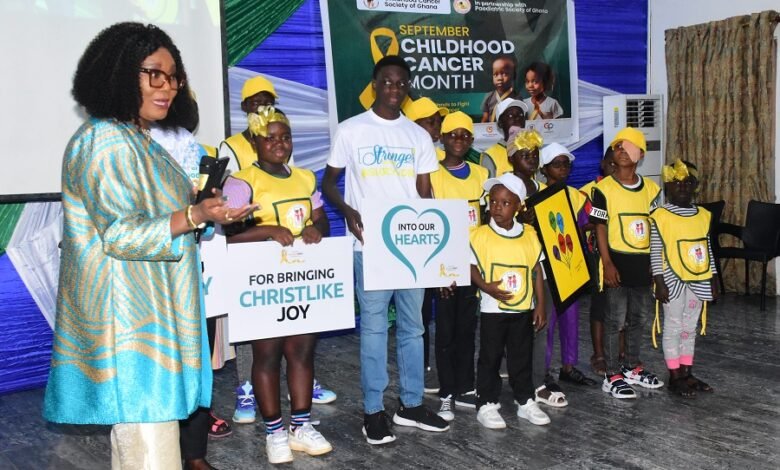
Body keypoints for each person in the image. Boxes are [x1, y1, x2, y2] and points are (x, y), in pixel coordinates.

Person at [42, 22, 254, 470]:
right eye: (153, 74)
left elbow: (166, 220)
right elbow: (121, 233)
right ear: (119, 73)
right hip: (131, 332)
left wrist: (208, 213)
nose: (168, 86)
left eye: (173, 76)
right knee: (152, 454)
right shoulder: (103, 141)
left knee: (151, 450)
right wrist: (195, 216)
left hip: (154, 321)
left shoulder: (140, 141)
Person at [322, 55, 449, 445]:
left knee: (413, 328)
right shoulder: (352, 130)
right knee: (375, 330)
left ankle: (410, 404)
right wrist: (346, 209)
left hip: (411, 247)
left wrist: (439, 247)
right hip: (370, 245)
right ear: (375, 84)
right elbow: (328, 183)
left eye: (401, 83)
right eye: (388, 82)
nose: (395, 89)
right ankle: (373, 410)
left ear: (407, 88)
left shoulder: (417, 136)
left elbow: (425, 193)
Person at [218, 75, 335, 427]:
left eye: (285, 137)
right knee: (266, 356)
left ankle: (302, 425)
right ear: (255, 142)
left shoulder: (304, 177)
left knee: (301, 353)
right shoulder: (241, 183)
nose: (279, 144)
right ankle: (274, 431)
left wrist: (316, 228)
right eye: (270, 138)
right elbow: (226, 237)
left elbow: (321, 218)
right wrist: (268, 230)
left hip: (299, 280)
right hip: (262, 285)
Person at [470, 173, 550, 429]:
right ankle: (486, 403)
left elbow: (537, 270)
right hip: (493, 309)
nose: (497, 207)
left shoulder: (529, 235)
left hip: (523, 308)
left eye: (505, 203)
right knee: (490, 356)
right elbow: (468, 265)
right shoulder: (479, 235)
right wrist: (484, 286)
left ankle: (525, 400)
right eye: (493, 202)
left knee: (521, 355)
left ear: (518, 206)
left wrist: (540, 304)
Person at [590, 127, 664, 399]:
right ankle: (612, 374)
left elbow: (656, 229)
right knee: (614, 319)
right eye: (617, 147)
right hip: (616, 265)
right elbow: (599, 227)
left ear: (640, 154)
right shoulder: (604, 189)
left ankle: (632, 366)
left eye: (628, 147)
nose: (622, 151)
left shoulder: (652, 190)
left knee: (639, 318)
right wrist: (607, 263)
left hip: (642, 264)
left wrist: (656, 268)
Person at [429, 111, 488, 421]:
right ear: (442, 138)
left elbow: (488, 219)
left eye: (466, 135)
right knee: (447, 331)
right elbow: (428, 225)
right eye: (453, 134)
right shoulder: (432, 175)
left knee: (468, 327)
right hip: (446, 264)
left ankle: (466, 386)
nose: (459, 140)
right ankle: (447, 392)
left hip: (476, 263)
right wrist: (438, 269)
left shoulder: (480, 174)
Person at [505, 129, 567, 408]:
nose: (530, 159)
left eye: (534, 154)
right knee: (513, 328)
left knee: (540, 325)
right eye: (524, 154)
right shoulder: (503, 189)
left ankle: (538, 380)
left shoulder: (546, 192)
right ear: (511, 158)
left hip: (542, 268)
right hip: (511, 268)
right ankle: (517, 381)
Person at [649, 159, 717, 398]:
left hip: (698, 278)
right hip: (671, 279)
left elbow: (707, 248)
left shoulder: (703, 215)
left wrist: (714, 278)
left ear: (695, 186)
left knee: (690, 326)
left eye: (688, 183)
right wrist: (658, 280)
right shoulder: (660, 215)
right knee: (674, 326)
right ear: (667, 185)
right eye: (676, 183)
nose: (683, 187)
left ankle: (687, 372)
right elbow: (655, 249)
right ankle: (674, 375)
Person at [539, 143, 597, 387]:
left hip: (570, 265)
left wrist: (587, 224)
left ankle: (568, 367)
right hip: (546, 267)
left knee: (571, 319)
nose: (562, 168)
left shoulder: (578, 196)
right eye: (557, 164)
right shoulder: (537, 194)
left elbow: (592, 221)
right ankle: (543, 371)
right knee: (547, 322)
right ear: (544, 169)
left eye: (566, 164)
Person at [404, 96, 449, 394]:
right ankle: (418, 369)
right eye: (430, 121)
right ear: (414, 126)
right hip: (414, 241)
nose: (436, 127)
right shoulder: (406, 160)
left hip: (439, 239)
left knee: (438, 306)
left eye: (438, 121)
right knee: (418, 310)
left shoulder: (446, 159)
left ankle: (435, 366)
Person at [579, 147, 618, 376]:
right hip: (598, 255)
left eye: (618, 164)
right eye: (610, 164)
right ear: (603, 164)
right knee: (600, 306)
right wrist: (604, 221)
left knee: (624, 305)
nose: (615, 168)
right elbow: (582, 226)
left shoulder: (627, 189)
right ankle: (599, 354)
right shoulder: (590, 192)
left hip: (625, 253)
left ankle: (622, 353)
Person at [479, 98, 528, 178]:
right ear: (500, 124)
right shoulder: (490, 155)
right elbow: (488, 189)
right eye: (510, 115)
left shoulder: (533, 151)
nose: (517, 118)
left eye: (521, 115)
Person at [481, 55, 520, 123]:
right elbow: (485, 117)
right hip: (491, 132)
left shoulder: (516, 97)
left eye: (504, 74)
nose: (499, 78)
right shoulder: (489, 96)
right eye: (495, 74)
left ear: (513, 75)